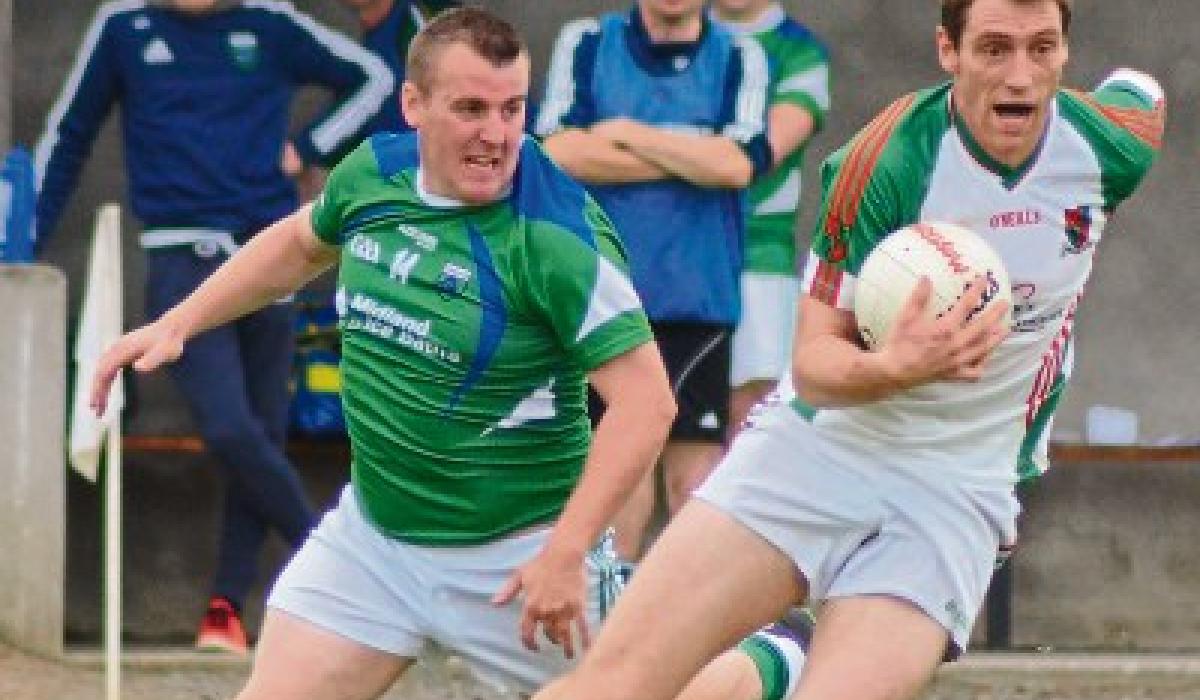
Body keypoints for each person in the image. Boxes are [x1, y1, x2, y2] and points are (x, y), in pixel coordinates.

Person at [533, 1, 1165, 699]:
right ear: (948, 51)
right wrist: (896, 368)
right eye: (993, 49)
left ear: (1065, 53)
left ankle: (784, 658)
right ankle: (780, 657)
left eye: (1041, 48)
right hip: (820, 448)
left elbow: (1143, 96)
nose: (1020, 75)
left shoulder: (1107, 146)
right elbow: (815, 366)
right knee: (614, 685)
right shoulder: (885, 161)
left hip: (956, 487)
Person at [89, 7, 676, 699]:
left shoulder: (557, 237)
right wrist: (178, 324)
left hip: (522, 557)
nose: (496, 135)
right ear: (413, 104)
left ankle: (768, 660)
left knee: (675, 685)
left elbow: (646, 404)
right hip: (374, 544)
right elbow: (299, 245)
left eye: (512, 109)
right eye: (471, 109)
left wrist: (568, 550)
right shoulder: (375, 172)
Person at [35, 0, 394, 653]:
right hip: (181, 256)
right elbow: (70, 132)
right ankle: (346, 565)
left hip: (269, 258)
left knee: (262, 435)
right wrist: (24, 242)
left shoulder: (271, 22)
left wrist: (311, 147)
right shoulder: (125, 26)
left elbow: (373, 78)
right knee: (230, 429)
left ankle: (225, 610)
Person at [537, 0, 771, 561]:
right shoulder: (588, 41)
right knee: (619, 471)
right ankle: (613, 604)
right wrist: (689, 156)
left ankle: (690, 610)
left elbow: (736, 165)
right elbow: (558, 152)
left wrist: (623, 133)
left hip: (697, 298)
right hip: (603, 298)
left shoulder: (740, 54)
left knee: (693, 480)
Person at [709, 0, 831, 435]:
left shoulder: (798, 51)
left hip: (757, 258)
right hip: (663, 253)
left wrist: (636, 142)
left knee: (748, 425)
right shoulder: (670, 35)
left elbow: (752, 159)